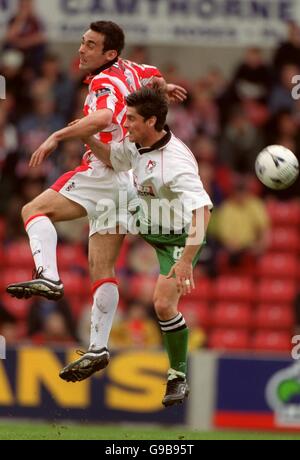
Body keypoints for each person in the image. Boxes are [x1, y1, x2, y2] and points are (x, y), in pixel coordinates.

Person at [6, 21, 186, 371]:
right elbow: (154, 77)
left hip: (104, 171)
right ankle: (98, 348)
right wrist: (165, 87)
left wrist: (57, 136)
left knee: (33, 209)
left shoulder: (105, 82)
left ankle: (49, 275)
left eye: (90, 44)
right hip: (128, 180)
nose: (81, 49)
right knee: (102, 269)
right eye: (82, 42)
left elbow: (102, 116)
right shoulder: (133, 68)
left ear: (109, 53)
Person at [59, 88, 212, 407]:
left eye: (130, 118)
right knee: (105, 202)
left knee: (163, 305)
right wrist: (88, 138)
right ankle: (97, 346)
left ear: (151, 121)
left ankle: (177, 378)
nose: (123, 123)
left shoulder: (176, 163)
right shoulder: (136, 143)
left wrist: (185, 261)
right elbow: (113, 159)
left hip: (177, 236)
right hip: (144, 216)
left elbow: (203, 210)